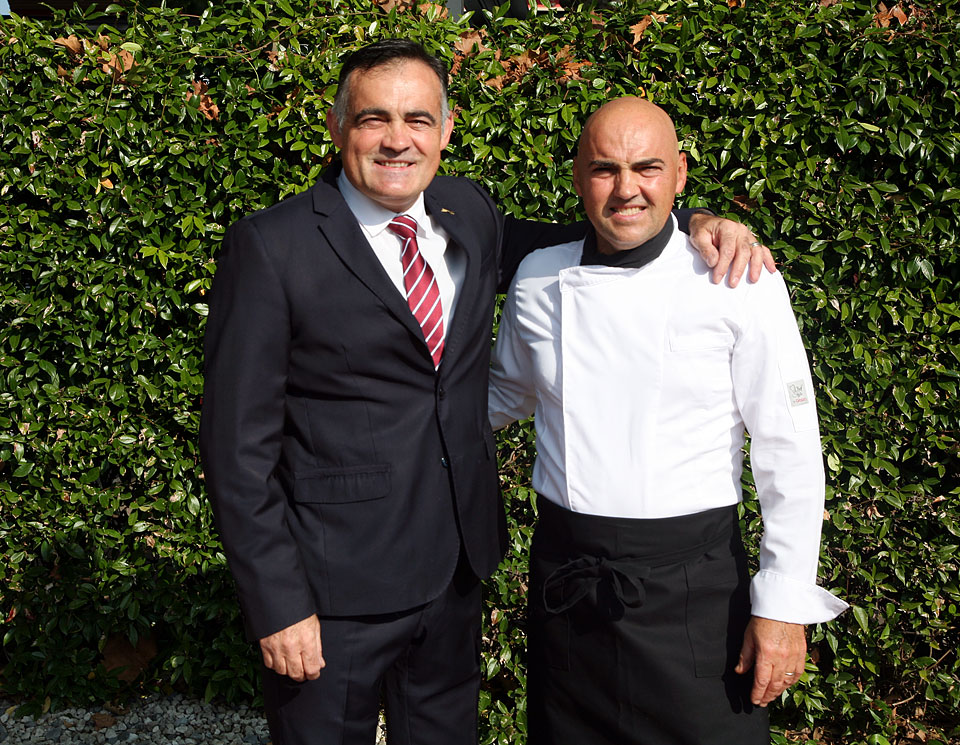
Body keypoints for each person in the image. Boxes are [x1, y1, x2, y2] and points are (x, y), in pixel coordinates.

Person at [199, 40, 771, 745]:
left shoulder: (465, 210)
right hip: (331, 589)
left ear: (446, 129)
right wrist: (278, 603)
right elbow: (236, 449)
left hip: (452, 575)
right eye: (375, 118)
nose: (398, 139)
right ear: (337, 125)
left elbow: (603, 225)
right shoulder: (271, 247)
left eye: (418, 118)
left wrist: (694, 220)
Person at [488, 97, 849, 745]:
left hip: (695, 591)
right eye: (605, 168)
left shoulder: (738, 278)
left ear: (679, 174)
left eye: (646, 168)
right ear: (578, 176)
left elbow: (788, 447)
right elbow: (504, 395)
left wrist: (783, 604)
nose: (626, 188)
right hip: (568, 584)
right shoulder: (538, 277)